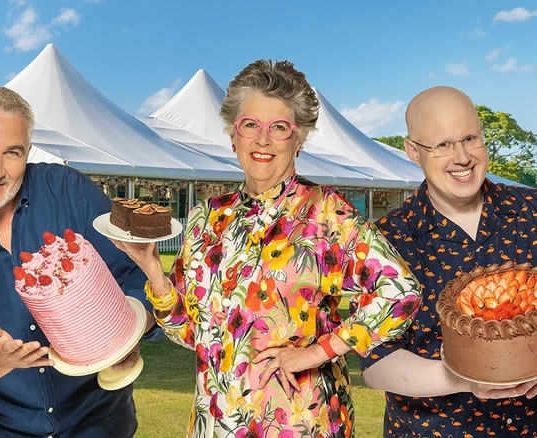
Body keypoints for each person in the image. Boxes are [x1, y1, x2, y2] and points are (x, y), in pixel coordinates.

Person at [112, 59, 422, 437]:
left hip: (301, 422)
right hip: (217, 420)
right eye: (250, 125)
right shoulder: (205, 218)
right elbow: (192, 335)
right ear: (233, 135)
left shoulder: (326, 213)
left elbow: (400, 292)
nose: (263, 140)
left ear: (299, 138)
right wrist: (152, 270)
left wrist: (318, 352)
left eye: (279, 127)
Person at [0, 85, 155, 437]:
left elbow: (132, 275)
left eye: (12, 153)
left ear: (28, 152)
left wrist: (126, 336)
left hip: (100, 425)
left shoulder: (71, 191)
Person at [360, 86, 537, 437]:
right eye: (442, 145)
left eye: (470, 138)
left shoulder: (532, 211)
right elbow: (374, 361)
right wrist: (468, 376)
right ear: (413, 151)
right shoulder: (384, 241)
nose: (462, 157)